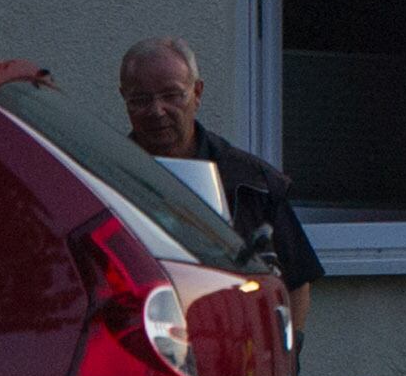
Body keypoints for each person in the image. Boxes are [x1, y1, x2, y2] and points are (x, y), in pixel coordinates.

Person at [119, 35, 325, 334]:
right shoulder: (103, 178)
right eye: (141, 100)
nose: (157, 110)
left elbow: (296, 280)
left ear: (197, 93)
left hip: (234, 359)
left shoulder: (253, 183)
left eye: (171, 95)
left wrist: (286, 358)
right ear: (123, 99)